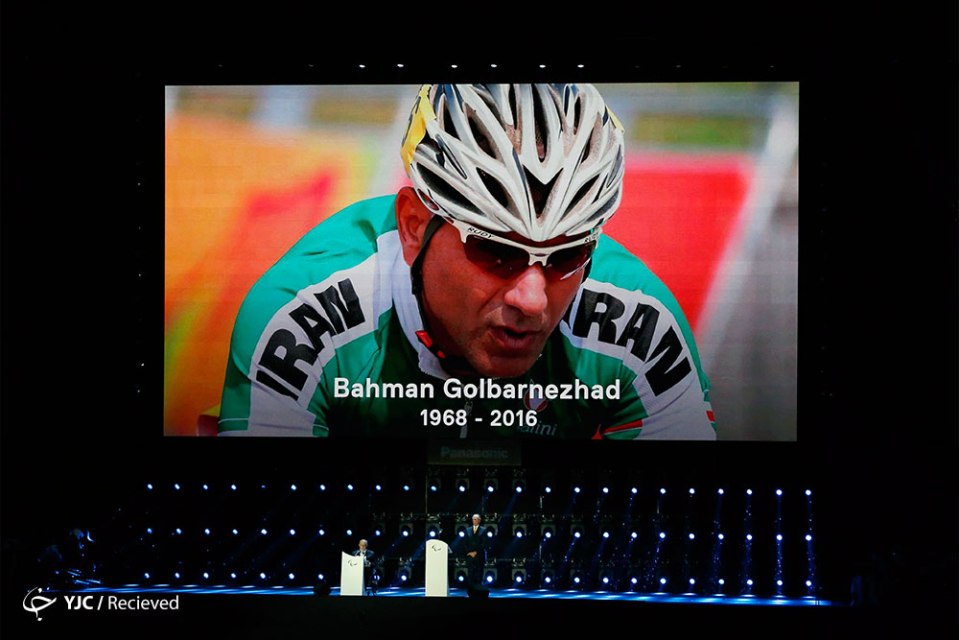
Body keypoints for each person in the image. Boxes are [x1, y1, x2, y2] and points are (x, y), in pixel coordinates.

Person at [218, 83, 715, 440]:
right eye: (496, 251)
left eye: (567, 254)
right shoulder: (302, 317)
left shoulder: (638, 322)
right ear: (414, 226)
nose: (532, 298)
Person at [462, 514, 487, 590]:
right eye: (474, 519)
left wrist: (476, 552)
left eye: (477, 519)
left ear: (479, 520)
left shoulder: (483, 530)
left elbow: (484, 543)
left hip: (479, 555)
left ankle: (479, 587)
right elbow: (464, 543)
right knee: (470, 572)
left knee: (479, 571)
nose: (475, 521)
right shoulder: (467, 530)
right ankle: (470, 588)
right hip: (470, 555)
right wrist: (469, 552)